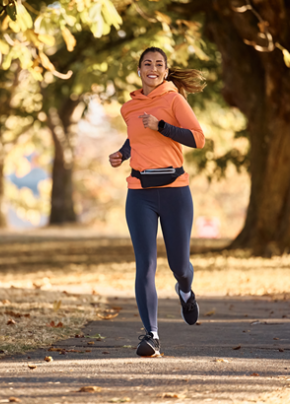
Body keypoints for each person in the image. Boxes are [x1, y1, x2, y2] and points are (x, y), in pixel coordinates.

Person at [109, 47, 206, 357]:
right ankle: (151, 335)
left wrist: (162, 126)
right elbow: (135, 138)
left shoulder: (174, 100)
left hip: (176, 190)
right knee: (146, 265)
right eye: (147, 64)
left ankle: (185, 290)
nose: (152, 68)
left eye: (158, 64)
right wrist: (122, 154)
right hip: (139, 192)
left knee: (178, 265)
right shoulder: (129, 107)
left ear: (166, 71)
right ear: (139, 70)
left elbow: (198, 138)